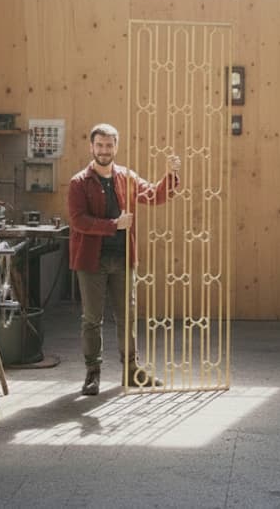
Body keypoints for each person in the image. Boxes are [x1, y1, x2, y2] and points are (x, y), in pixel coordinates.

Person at [67, 123, 181, 395]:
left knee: (127, 317)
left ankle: (131, 371)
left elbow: (154, 196)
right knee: (92, 319)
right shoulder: (78, 182)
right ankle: (92, 374)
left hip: (123, 259)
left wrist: (171, 175)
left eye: (109, 145)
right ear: (91, 147)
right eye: (100, 145)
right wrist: (113, 225)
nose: (104, 150)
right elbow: (78, 220)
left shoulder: (126, 177)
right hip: (91, 261)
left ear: (116, 147)